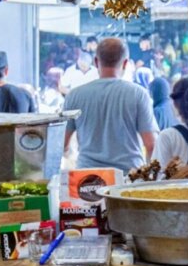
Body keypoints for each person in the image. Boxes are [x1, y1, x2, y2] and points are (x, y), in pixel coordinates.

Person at [64, 38, 158, 171]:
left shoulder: (74, 95)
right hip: (128, 179)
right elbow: (151, 145)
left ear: (96, 62)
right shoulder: (138, 94)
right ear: (125, 63)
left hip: (87, 178)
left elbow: (63, 144)